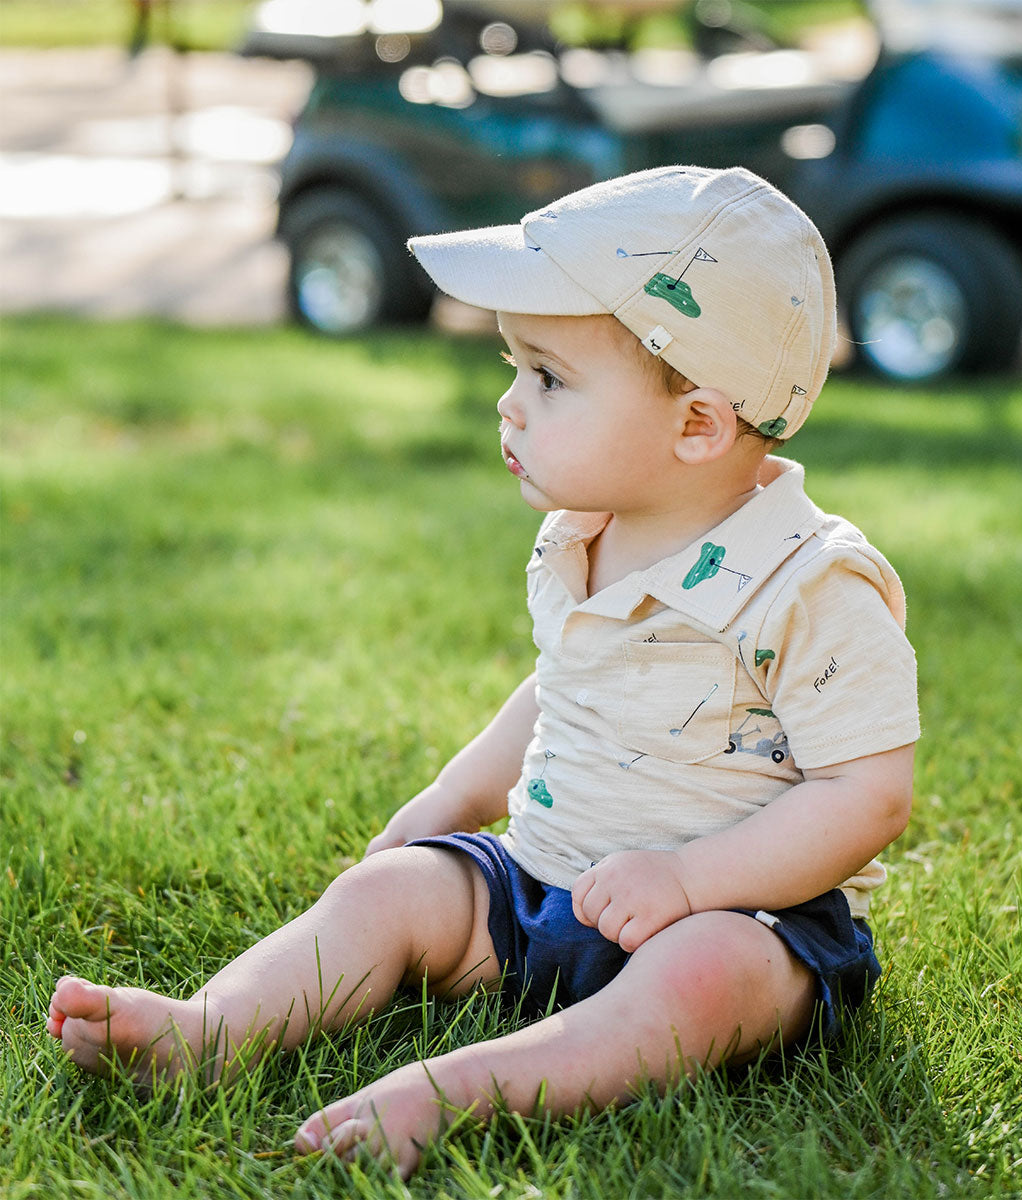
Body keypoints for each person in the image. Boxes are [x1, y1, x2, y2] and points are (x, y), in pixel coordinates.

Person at [46, 166, 919, 1178]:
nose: (509, 405)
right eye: (515, 367)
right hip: (544, 884)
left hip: (739, 915)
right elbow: (560, 689)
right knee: (390, 891)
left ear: (698, 425)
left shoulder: (809, 584)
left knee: (702, 979)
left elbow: (866, 793)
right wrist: (452, 800)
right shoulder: (582, 536)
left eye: (548, 378)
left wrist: (689, 881)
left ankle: (459, 1089)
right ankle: (209, 1027)